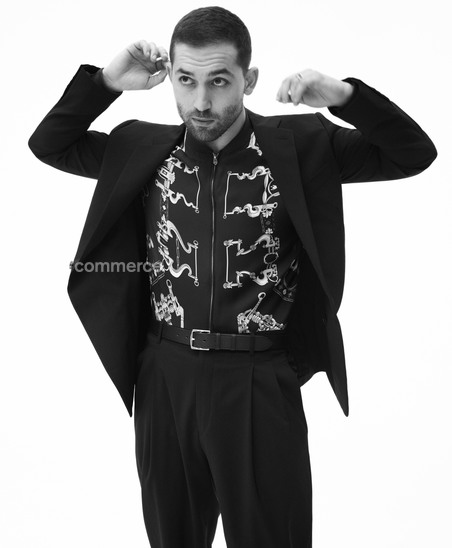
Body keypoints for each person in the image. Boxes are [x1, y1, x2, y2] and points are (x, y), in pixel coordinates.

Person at [28, 6, 437, 548]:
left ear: (250, 79)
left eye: (219, 81)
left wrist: (344, 97)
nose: (201, 102)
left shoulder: (302, 147)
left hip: (259, 379)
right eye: (186, 80)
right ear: (171, 77)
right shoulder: (141, 149)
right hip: (165, 377)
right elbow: (49, 144)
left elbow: (414, 153)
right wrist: (104, 82)